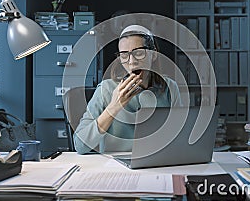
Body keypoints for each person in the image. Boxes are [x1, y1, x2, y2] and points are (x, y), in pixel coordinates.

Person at [73, 25, 182, 154]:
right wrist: (113, 107)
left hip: (157, 162)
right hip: (117, 168)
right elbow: (80, 146)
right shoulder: (106, 89)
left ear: (153, 54)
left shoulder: (170, 88)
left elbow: (180, 137)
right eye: (124, 55)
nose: (131, 61)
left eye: (139, 53)